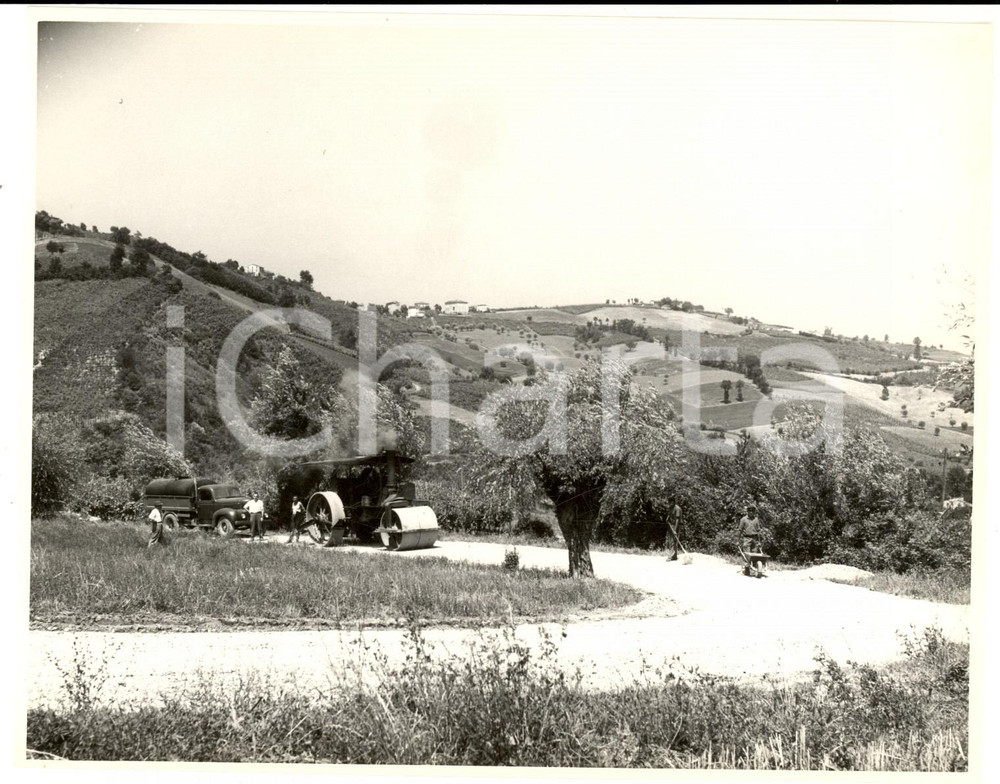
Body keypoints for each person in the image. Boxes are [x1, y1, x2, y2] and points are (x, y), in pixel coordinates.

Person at [737, 504, 766, 576]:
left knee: (754, 554)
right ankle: (747, 569)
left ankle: (755, 569)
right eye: (750, 511)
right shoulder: (743, 519)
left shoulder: (756, 520)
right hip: (746, 538)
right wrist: (738, 540)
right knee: (747, 555)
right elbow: (740, 530)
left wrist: (759, 541)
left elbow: (758, 531)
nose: (751, 513)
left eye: (753, 511)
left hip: (755, 539)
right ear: (747, 512)